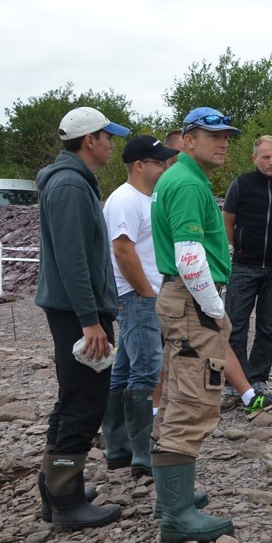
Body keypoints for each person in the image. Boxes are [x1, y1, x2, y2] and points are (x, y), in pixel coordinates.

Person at [150, 107, 272, 543]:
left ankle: (171, 498)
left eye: (226, 135)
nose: (223, 142)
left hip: (180, 301)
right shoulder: (187, 183)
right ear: (188, 139)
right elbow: (190, 257)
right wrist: (215, 310)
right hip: (191, 304)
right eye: (212, 135)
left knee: (174, 395)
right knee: (192, 401)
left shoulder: (180, 177)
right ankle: (177, 514)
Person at [34, 106, 130, 531]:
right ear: (89, 140)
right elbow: (73, 259)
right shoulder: (71, 185)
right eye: (107, 136)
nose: (112, 143)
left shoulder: (70, 181)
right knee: (85, 403)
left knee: (73, 397)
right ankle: (67, 502)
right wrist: (91, 321)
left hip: (74, 310)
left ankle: (56, 486)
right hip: (79, 314)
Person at [100, 134, 180, 480]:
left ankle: (119, 447)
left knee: (127, 366)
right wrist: (146, 291)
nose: (164, 166)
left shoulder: (146, 198)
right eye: (159, 162)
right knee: (147, 367)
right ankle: (142, 452)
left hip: (139, 293)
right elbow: (122, 249)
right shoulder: (125, 201)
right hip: (135, 295)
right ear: (139, 166)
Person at [220, 134, 272, 410]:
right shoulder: (241, 185)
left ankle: (258, 380)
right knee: (235, 325)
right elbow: (228, 223)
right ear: (254, 157)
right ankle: (235, 383)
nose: (271, 162)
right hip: (245, 266)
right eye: (265, 156)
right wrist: (241, 248)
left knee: (268, 328)